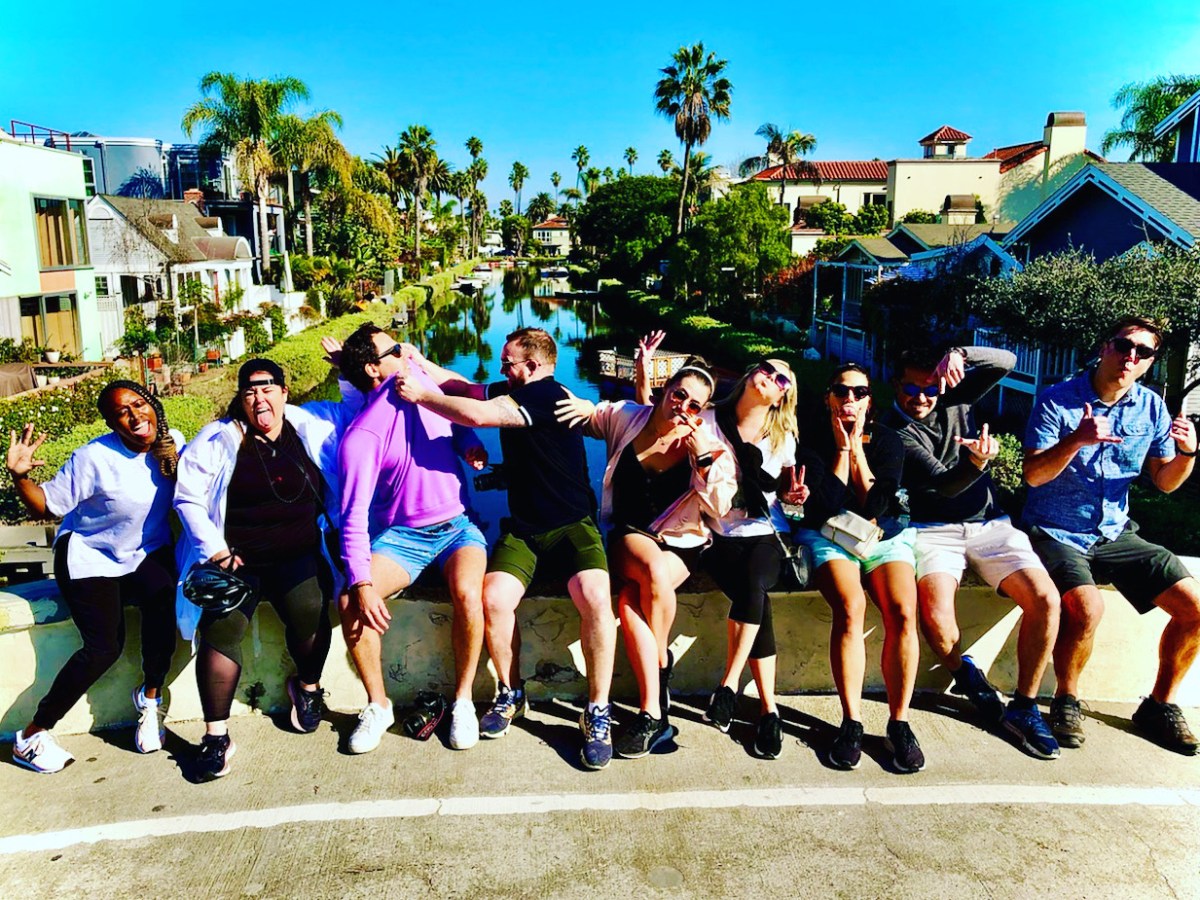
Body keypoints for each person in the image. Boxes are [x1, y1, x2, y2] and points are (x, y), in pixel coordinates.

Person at [396, 327, 618, 770]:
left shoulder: (544, 397)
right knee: (493, 598)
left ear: (532, 367)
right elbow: (464, 387)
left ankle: (597, 712)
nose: (502, 370)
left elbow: (475, 415)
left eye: (508, 363)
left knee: (596, 598)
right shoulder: (519, 389)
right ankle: (510, 693)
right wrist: (420, 362)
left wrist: (421, 396)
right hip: (525, 530)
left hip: (573, 526)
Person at [175, 356, 360, 781]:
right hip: (237, 559)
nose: (259, 398)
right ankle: (216, 736)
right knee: (221, 632)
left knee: (311, 616)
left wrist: (346, 370)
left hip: (298, 554)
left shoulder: (310, 422)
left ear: (283, 392)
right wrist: (217, 551)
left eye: (267, 388)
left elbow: (358, 410)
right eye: (249, 391)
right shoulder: (219, 439)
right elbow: (187, 498)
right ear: (241, 399)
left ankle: (308, 689)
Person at [1023, 316, 1200, 755]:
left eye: (1143, 353)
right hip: (1056, 528)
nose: (1131, 357)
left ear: (1149, 363)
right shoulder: (1057, 401)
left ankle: (1159, 705)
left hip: (1115, 532)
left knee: (1196, 609)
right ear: (1106, 347)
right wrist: (1077, 441)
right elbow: (1033, 475)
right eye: (1124, 346)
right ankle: (1066, 697)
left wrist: (1188, 453)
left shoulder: (1151, 407)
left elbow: (1164, 481)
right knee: (1085, 607)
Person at [881, 346, 1061, 760]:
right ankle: (968, 676)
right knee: (938, 621)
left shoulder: (957, 399)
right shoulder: (894, 430)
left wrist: (959, 353)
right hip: (932, 530)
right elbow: (945, 484)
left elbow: (1007, 362)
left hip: (991, 524)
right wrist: (979, 463)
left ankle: (1025, 707)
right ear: (895, 384)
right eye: (911, 387)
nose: (922, 397)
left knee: (1046, 600)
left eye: (930, 389)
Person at [555, 352, 734, 759]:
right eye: (678, 395)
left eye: (694, 405)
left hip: (683, 543)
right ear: (664, 390)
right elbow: (591, 414)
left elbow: (721, 506)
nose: (682, 408)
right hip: (631, 537)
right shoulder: (629, 417)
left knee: (629, 604)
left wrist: (702, 457)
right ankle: (663, 660)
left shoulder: (706, 443)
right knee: (650, 566)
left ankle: (653, 712)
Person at [8, 380, 183, 773]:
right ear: (111, 423)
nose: (136, 416)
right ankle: (31, 736)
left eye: (139, 404)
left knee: (164, 604)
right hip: (88, 557)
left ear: (153, 404)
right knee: (104, 648)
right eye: (123, 412)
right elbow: (47, 506)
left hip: (144, 554)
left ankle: (150, 700)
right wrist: (21, 477)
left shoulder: (173, 444)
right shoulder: (94, 458)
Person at [336, 324, 489, 754]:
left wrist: (471, 442)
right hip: (403, 538)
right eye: (396, 349)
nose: (409, 351)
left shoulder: (419, 383)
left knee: (467, 592)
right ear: (373, 368)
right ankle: (379, 705)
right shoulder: (362, 437)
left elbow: (454, 417)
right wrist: (363, 583)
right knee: (349, 602)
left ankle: (462, 702)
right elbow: (352, 519)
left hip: (457, 526)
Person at [792, 364, 924, 773]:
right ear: (828, 397)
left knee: (903, 612)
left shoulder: (888, 441)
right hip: (829, 534)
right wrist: (842, 449)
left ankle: (899, 723)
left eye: (859, 393)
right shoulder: (809, 440)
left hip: (883, 536)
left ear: (870, 399)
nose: (849, 400)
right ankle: (851, 722)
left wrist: (860, 447)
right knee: (851, 608)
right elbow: (825, 504)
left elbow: (877, 506)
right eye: (841, 392)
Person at [695, 357, 804, 760]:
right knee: (757, 601)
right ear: (750, 373)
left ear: (782, 397)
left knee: (754, 584)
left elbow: (789, 497)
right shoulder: (708, 419)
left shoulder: (782, 435)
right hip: (715, 533)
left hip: (766, 534)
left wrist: (794, 500)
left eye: (782, 380)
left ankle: (728, 685)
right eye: (767, 368)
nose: (771, 377)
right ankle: (769, 709)